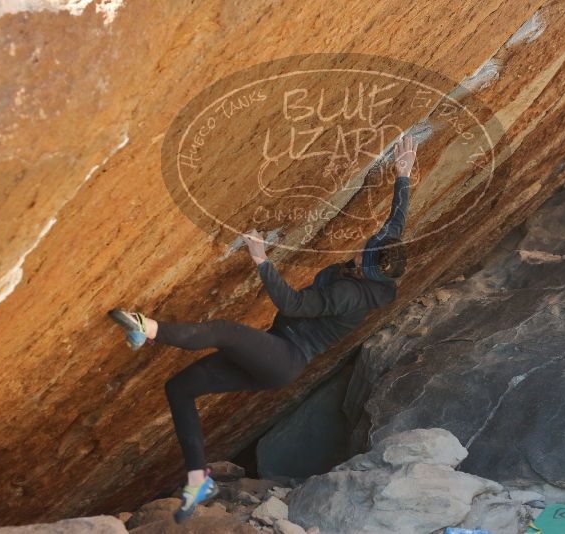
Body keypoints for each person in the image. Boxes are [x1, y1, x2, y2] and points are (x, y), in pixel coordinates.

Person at [108, 134, 417, 524]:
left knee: (224, 330)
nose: (361, 246)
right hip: (274, 350)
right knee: (179, 388)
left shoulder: (349, 296)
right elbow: (396, 222)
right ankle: (197, 477)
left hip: (285, 358)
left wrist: (261, 260)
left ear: (365, 266)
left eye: (363, 251)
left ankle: (145, 329)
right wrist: (402, 175)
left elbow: (291, 305)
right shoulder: (381, 269)